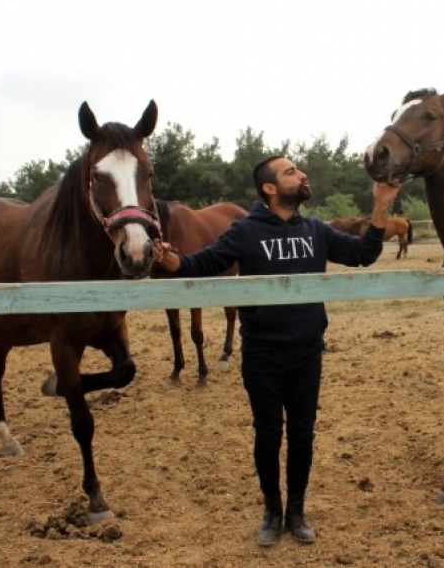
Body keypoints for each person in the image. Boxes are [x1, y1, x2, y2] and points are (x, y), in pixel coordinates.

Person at [153, 155, 401, 546]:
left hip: (307, 351)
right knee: (268, 435)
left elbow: (362, 254)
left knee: (302, 435)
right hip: (263, 354)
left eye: (299, 169)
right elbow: (204, 263)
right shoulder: (245, 232)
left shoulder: (315, 230)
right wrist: (171, 260)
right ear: (269, 188)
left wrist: (381, 207)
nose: (302, 174)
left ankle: (297, 511)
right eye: (290, 172)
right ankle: (272, 510)